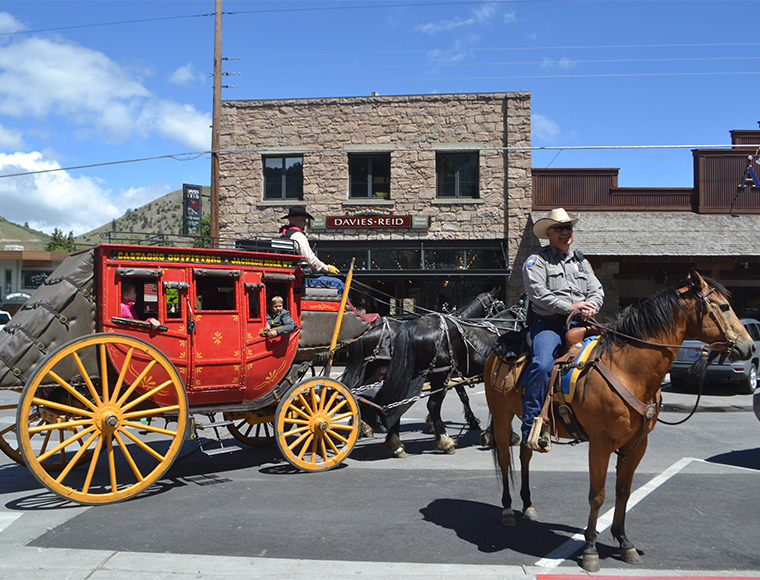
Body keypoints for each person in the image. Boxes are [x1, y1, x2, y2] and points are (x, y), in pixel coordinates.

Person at [521, 207, 604, 452]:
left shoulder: (582, 262)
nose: (566, 232)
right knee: (543, 364)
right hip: (550, 324)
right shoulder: (536, 261)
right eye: (560, 228)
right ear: (548, 233)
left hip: (583, 323)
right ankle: (532, 426)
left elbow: (597, 290)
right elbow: (538, 294)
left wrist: (591, 307)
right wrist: (571, 306)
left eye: (568, 227)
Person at [279, 206, 341, 275]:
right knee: (337, 283)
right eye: (304, 220)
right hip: (298, 276)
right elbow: (309, 259)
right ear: (296, 220)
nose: (305, 224)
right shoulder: (298, 236)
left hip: (287, 273)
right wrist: (326, 268)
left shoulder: (284, 235)